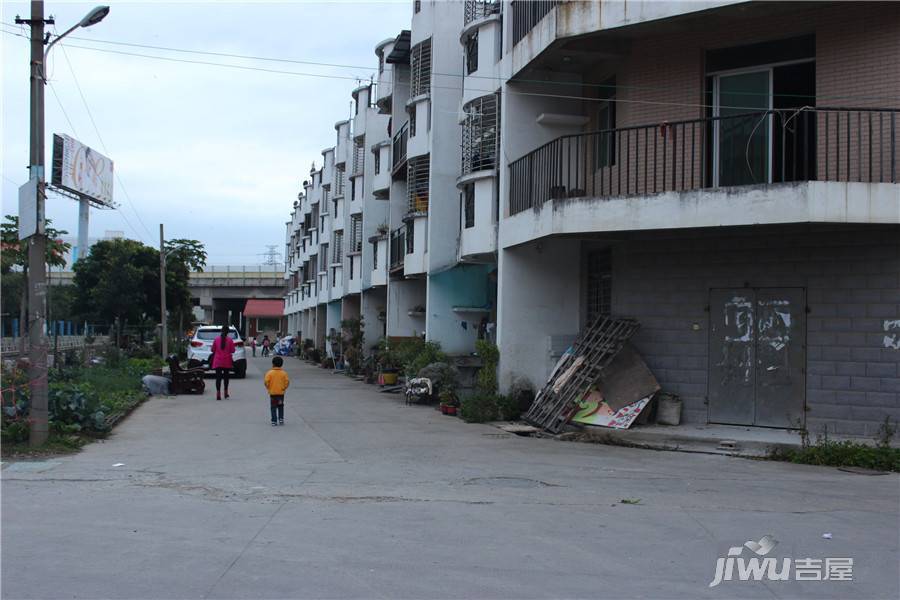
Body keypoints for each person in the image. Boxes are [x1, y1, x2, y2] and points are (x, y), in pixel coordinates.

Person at [209, 324, 235, 401]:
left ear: (221, 331)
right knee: (226, 378)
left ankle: (218, 394)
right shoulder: (230, 340)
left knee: (218, 378)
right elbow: (232, 350)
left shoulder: (216, 339)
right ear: (228, 332)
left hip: (218, 361)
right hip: (226, 361)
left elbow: (212, 350)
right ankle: (226, 393)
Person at [264, 356, 289, 426]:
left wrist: (269, 388)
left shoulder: (269, 373)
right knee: (281, 405)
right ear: (281, 364)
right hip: (281, 393)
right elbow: (287, 382)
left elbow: (266, 382)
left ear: (273, 364)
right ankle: (281, 419)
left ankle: (274, 421)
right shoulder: (284, 373)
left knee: (273, 406)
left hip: (273, 393)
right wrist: (284, 388)